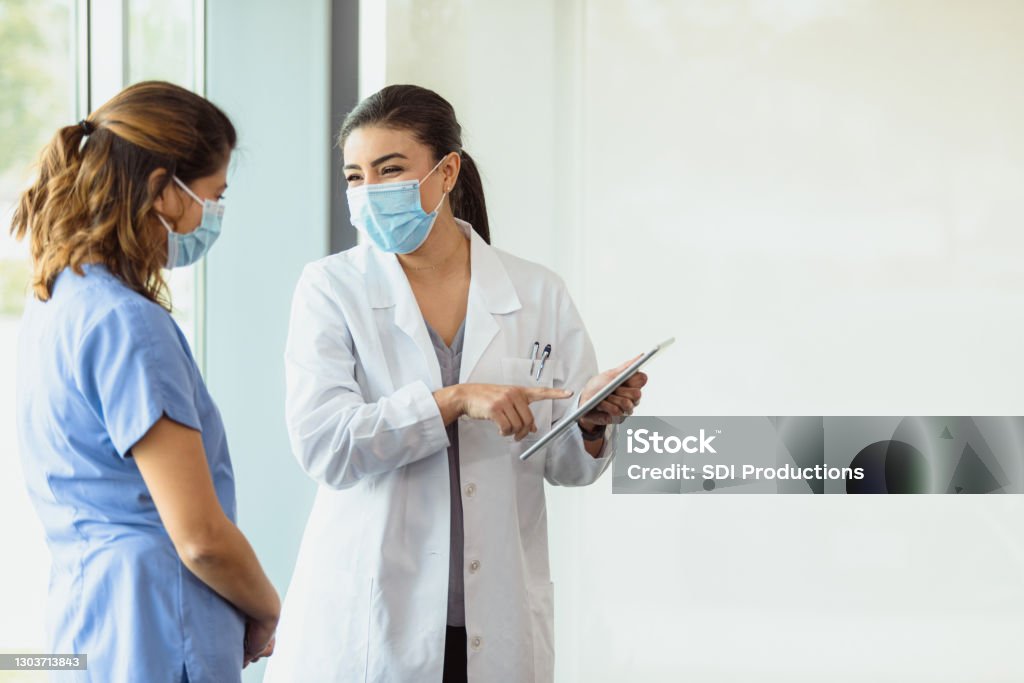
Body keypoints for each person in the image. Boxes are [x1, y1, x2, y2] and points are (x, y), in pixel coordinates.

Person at [263, 84, 647, 683]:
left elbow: (568, 465)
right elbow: (325, 446)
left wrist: (591, 424)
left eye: (389, 171)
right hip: (372, 622)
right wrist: (454, 400)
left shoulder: (535, 292)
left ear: (447, 173)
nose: (369, 192)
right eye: (355, 176)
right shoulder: (331, 289)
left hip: (493, 619)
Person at [11, 81, 279, 683]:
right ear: (162, 189)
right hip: (158, 629)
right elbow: (201, 536)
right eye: (214, 196)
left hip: (89, 626)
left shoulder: (56, 298)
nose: (214, 216)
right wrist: (267, 609)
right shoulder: (129, 324)